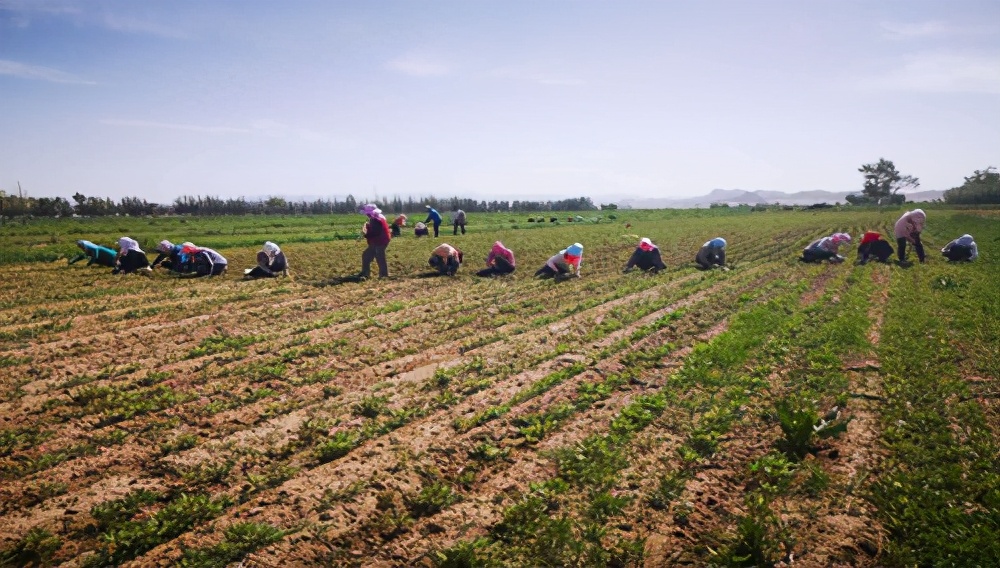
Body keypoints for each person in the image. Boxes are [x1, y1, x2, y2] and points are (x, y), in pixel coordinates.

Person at [356, 203, 391, 279]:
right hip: (377, 240)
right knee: (366, 255)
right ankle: (365, 273)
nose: (366, 215)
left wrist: (365, 234)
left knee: (380, 256)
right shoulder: (376, 218)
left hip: (381, 240)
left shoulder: (376, 219)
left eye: (367, 213)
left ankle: (384, 275)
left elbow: (375, 232)